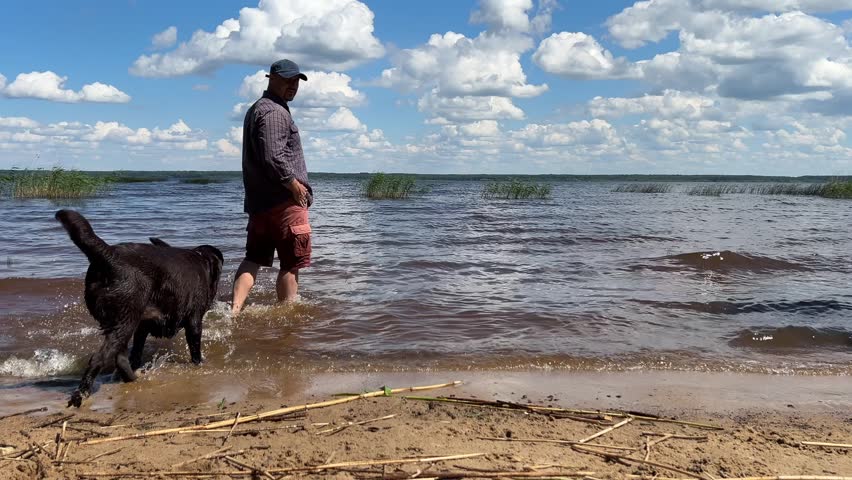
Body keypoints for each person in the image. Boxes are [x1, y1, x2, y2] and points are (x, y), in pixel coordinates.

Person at [231, 59, 312, 315]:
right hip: (284, 202)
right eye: (288, 80)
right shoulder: (275, 112)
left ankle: (233, 312)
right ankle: (287, 318)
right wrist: (293, 185)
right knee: (291, 263)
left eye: (296, 81)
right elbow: (272, 156)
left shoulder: (257, 108)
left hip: (260, 204)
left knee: (253, 258)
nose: (293, 86)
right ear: (271, 78)